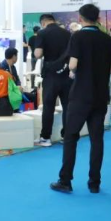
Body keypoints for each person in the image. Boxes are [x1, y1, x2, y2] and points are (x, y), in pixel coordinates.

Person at [51, 4, 111, 194]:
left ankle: (65, 180)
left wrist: (75, 71)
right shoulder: (107, 39)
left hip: (80, 94)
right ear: (98, 18)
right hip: (100, 95)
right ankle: (94, 182)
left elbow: (73, 64)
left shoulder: (77, 37)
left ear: (80, 18)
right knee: (97, 139)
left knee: (71, 137)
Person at [34, 14, 72, 147]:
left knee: (48, 106)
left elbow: (38, 54)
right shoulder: (67, 33)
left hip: (51, 75)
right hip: (66, 73)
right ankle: (67, 136)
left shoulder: (42, 33)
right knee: (67, 106)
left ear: (43, 23)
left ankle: (45, 138)